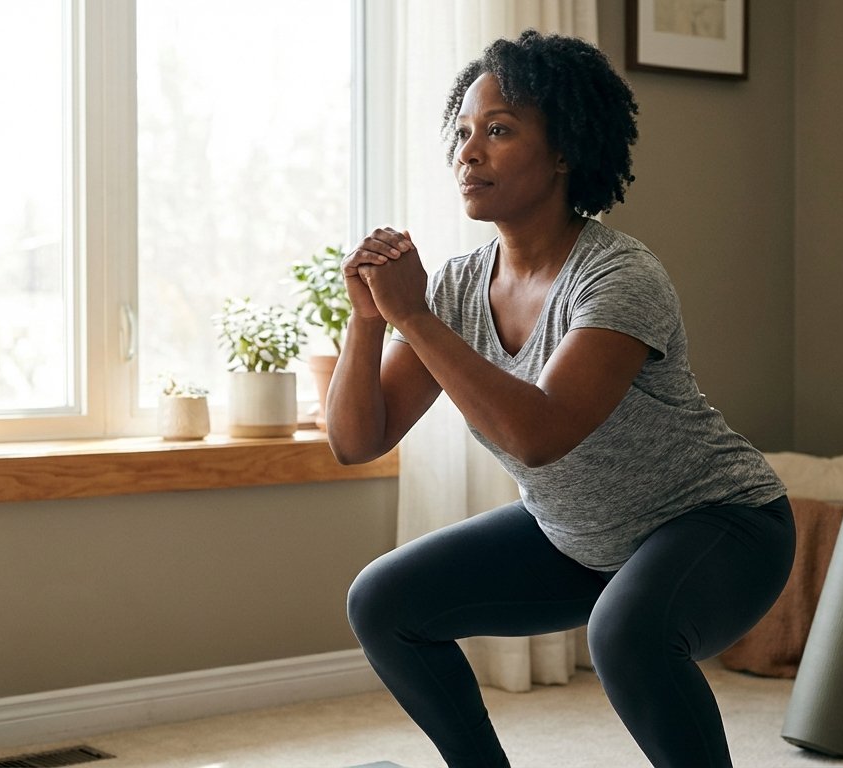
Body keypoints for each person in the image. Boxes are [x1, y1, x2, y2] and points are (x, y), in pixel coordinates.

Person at [328, 30, 793, 768]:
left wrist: (413, 317)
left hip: (720, 525)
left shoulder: (619, 277)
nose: (469, 152)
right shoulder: (454, 286)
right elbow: (359, 439)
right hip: (578, 538)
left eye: (499, 130)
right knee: (383, 601)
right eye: (462, 134)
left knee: (628, 634)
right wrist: (367, 320)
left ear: (565, 151)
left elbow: (539, 433)